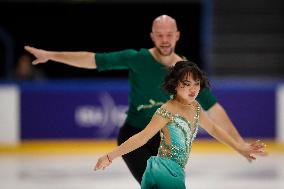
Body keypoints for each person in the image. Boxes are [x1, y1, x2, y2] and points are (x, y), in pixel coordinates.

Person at [24, 14, 262, 184]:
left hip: (164, 141)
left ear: (177, 35)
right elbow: (92, 59)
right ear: (152, 36)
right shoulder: (137, 58)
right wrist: (50, 56)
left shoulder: (186, 72)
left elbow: (214, 111)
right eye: (160, 35)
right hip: (133, 133)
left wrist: (240, 144)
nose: (165, 40)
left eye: (169, 34)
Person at [94, 61, 266, 189]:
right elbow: (142, 137)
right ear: (175, 85)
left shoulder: (195, 107)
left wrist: (239, 147)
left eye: (196, 83)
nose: (193, 89)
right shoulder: (167, 110)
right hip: (166, 172)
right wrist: (110, 156)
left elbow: (213, 128)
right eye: (186, 84)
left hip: (169, 171)